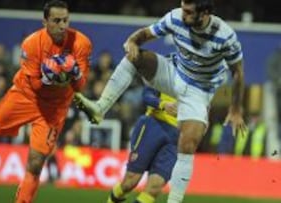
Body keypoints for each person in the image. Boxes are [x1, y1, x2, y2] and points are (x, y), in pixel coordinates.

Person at [74, 0, 246, 202]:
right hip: (175, 75)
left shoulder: (225, 36)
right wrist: (132, 41)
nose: (184, 15)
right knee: (135, 56)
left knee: (188, 142)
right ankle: (100, 107)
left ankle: (175, 200)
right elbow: (146, 34)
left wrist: (235, 110)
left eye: (189, 12)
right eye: (183, 9)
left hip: (199, 90)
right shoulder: (175, 17)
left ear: (205, 13)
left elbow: (238, 73)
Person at [0, 1, 92, 203]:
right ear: (45, 22)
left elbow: (80, 87)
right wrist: (50, 76)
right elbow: (35, 85)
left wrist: (74, 73)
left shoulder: (81, 43)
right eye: (56, 20)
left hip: (54, 108)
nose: (62, 25)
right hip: (25, 97)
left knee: (36, 161)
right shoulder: (31, 44)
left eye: (65, 20)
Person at [101, 86, 179, 203]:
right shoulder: (166, 70)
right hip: (153, 125)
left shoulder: (201, 78)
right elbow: (146, 95)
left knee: (155, 186)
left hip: (176, 137)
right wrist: (162, 104)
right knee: (129, 182)